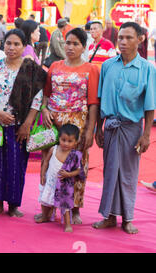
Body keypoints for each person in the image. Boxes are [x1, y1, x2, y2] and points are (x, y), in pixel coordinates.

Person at [93, 22, 156, 234]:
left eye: (129, 38)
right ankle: (109, 216)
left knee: (128, 175)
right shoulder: (108, 66)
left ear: (140, 40)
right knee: (110, 173)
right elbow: (100, 99)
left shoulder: (147, 69)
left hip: (132, 129)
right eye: (120, 37)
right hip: (110, 126)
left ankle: (128, 217)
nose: (123, 42)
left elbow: (149, 105)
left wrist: (146, 135)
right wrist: (97, 129)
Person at [0, 29, 46, 218]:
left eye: (17, 44)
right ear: (3, 44)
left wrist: (27, 124)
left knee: (16, 165)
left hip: (20, 127)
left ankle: (13, 204)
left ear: (24, 47)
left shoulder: (30, 69)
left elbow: (37, 99)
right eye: (8, 43)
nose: (12, 47)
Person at [38, 28, 100, 225]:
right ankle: (47, 208)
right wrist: (45, 109)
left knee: (75, 166)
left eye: (75, 44)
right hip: (52, 125)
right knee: (48, 166)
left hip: (77, 126)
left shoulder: (90, 69)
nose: (70, 47)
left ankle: (74, 209)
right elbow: (46, 94)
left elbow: (93, 104)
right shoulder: (54, 66)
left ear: (84, 47)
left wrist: (90, 130)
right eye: (68, 42)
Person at [37, 124, 86, 233]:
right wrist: (42, 175)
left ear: (75, 142)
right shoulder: (53, 149)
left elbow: (79, 170)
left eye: (69, 141)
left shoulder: (75, 155)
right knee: (45, 199)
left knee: (65, 205)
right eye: (63, 140)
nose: (65, 143)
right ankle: (45, 215)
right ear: (59, 138)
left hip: (64, 184)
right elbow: (45, 162)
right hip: (50, 181)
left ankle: (67, 224)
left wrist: (69, 174)